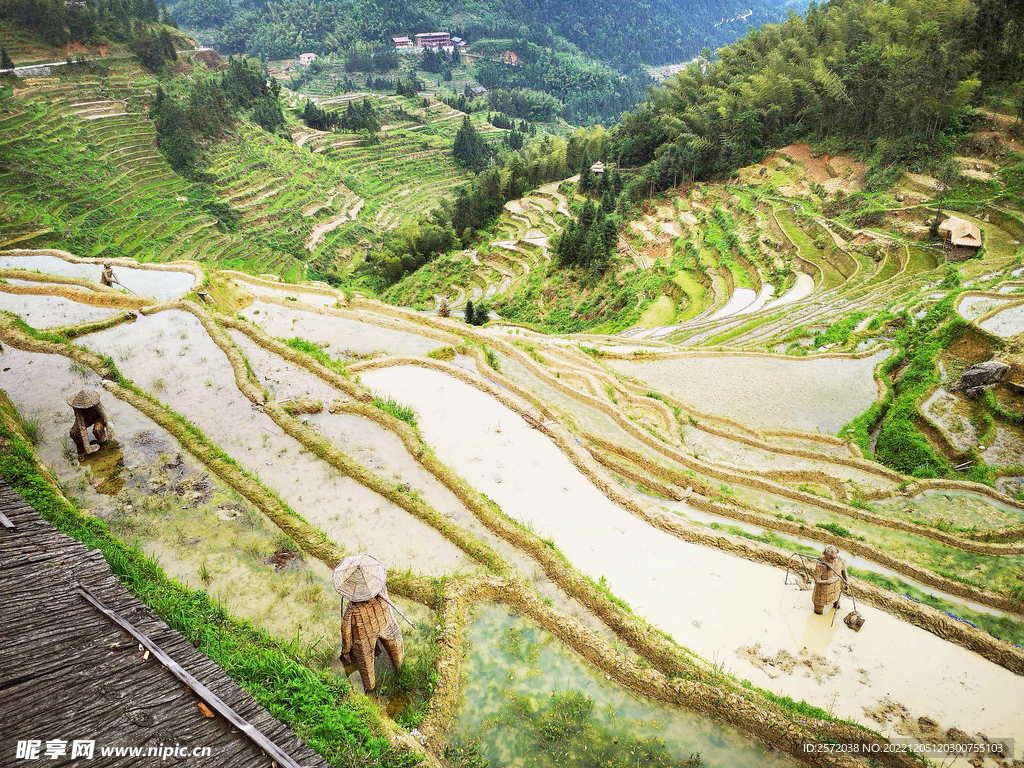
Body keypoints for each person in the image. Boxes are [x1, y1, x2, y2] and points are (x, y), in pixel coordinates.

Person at [340, 590, 404, 690]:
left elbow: (346, 632)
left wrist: (346, 650)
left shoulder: (352, 608)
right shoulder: (382, 592)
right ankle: (400, 669)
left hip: (364, 636)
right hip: (386, 624)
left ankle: (370, 689)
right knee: (396, 649)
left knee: (366, 666)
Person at [811, 545, 848, 615]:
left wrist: (846, 582)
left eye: (834, 556)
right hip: (822, 591)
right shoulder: (820, 564)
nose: (832, 559)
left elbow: (844, 570)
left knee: (837, 605)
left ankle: (836, 602)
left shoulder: (839, 560)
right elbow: (817, 580)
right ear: (825, 555)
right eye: (830, 557)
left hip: (836, 588)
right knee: (818, 612)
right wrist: (829, 581)